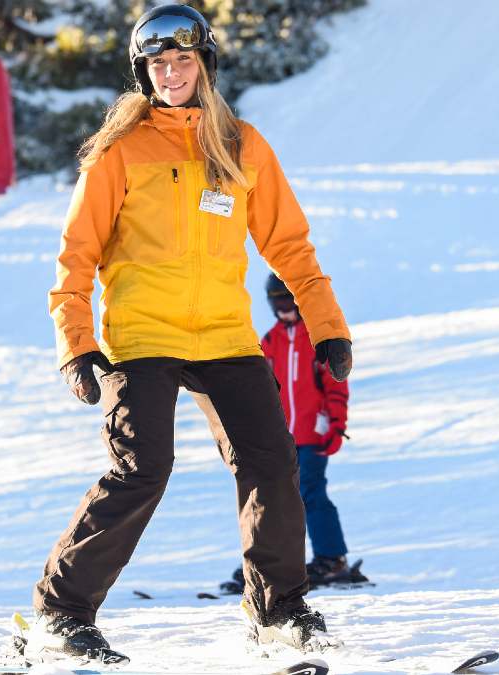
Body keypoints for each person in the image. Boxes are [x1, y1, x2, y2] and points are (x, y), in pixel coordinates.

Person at [32, 4, 354, 660]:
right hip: (143, 335)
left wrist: (328, 328)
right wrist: (77, 342)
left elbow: (289, 246)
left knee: (273, 464)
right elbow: (76, 255)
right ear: (144, 72)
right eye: (159, 64)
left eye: (183, 61)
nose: (172, 73)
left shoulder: (241, 144)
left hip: (225, 336)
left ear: (204, 65)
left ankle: (279, 609)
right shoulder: (121, 149)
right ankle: (59, 613)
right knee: (143, 467)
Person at [221, 276, 366, 596]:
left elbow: (335, 383)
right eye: (277, 302)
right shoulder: (270, 341)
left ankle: (332, 558)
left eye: (289, 301)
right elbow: (259, 390)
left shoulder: (315, 337)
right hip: (279, 436)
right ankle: (271, 565)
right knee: (273, 498)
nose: (284, 309)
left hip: (313, 432)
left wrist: (336, 423)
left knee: (311, 492)